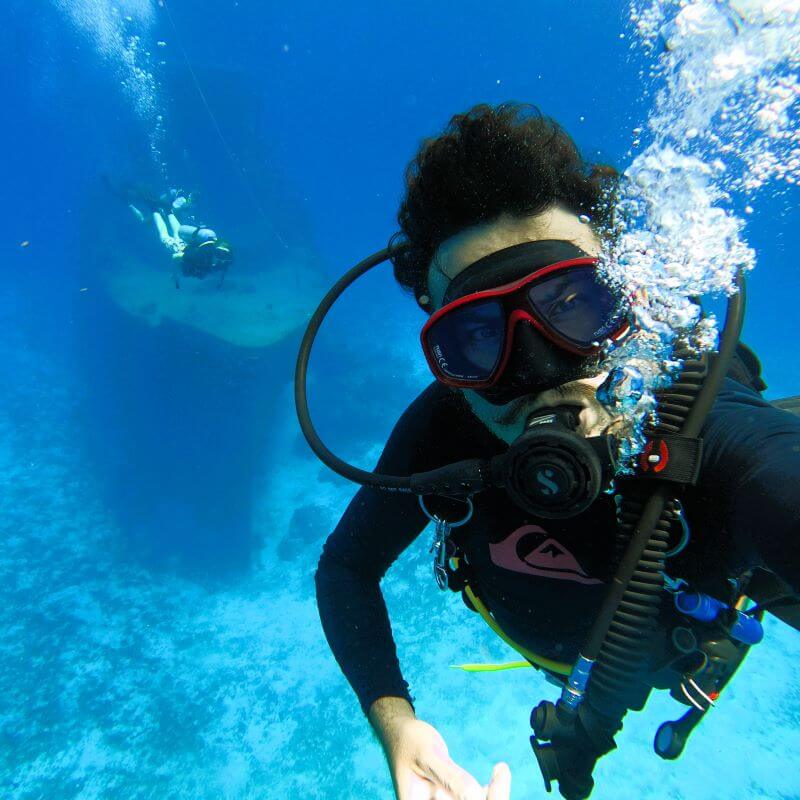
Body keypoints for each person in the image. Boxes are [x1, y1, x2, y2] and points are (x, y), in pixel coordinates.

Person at [307, 104, 800, 800]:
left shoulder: (697, 417)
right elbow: (347, 566)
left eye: (576, 307)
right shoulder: (445, 431)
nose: (542, 371)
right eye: (479, 337)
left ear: (631, 305)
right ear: (443, 350)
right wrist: (397, 724)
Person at [104, 177, 233, 288]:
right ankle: (154, 208)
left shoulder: (220, 261)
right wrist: (175, 275)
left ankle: (163, 210)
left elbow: (222, 267)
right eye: (221, 254)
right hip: (179, 248)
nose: (221, 259)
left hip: (185, 242)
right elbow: (175, 257)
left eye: (223, 256)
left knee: (175, 229)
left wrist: (220, 281)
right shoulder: (205, 258)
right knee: (164, 235)